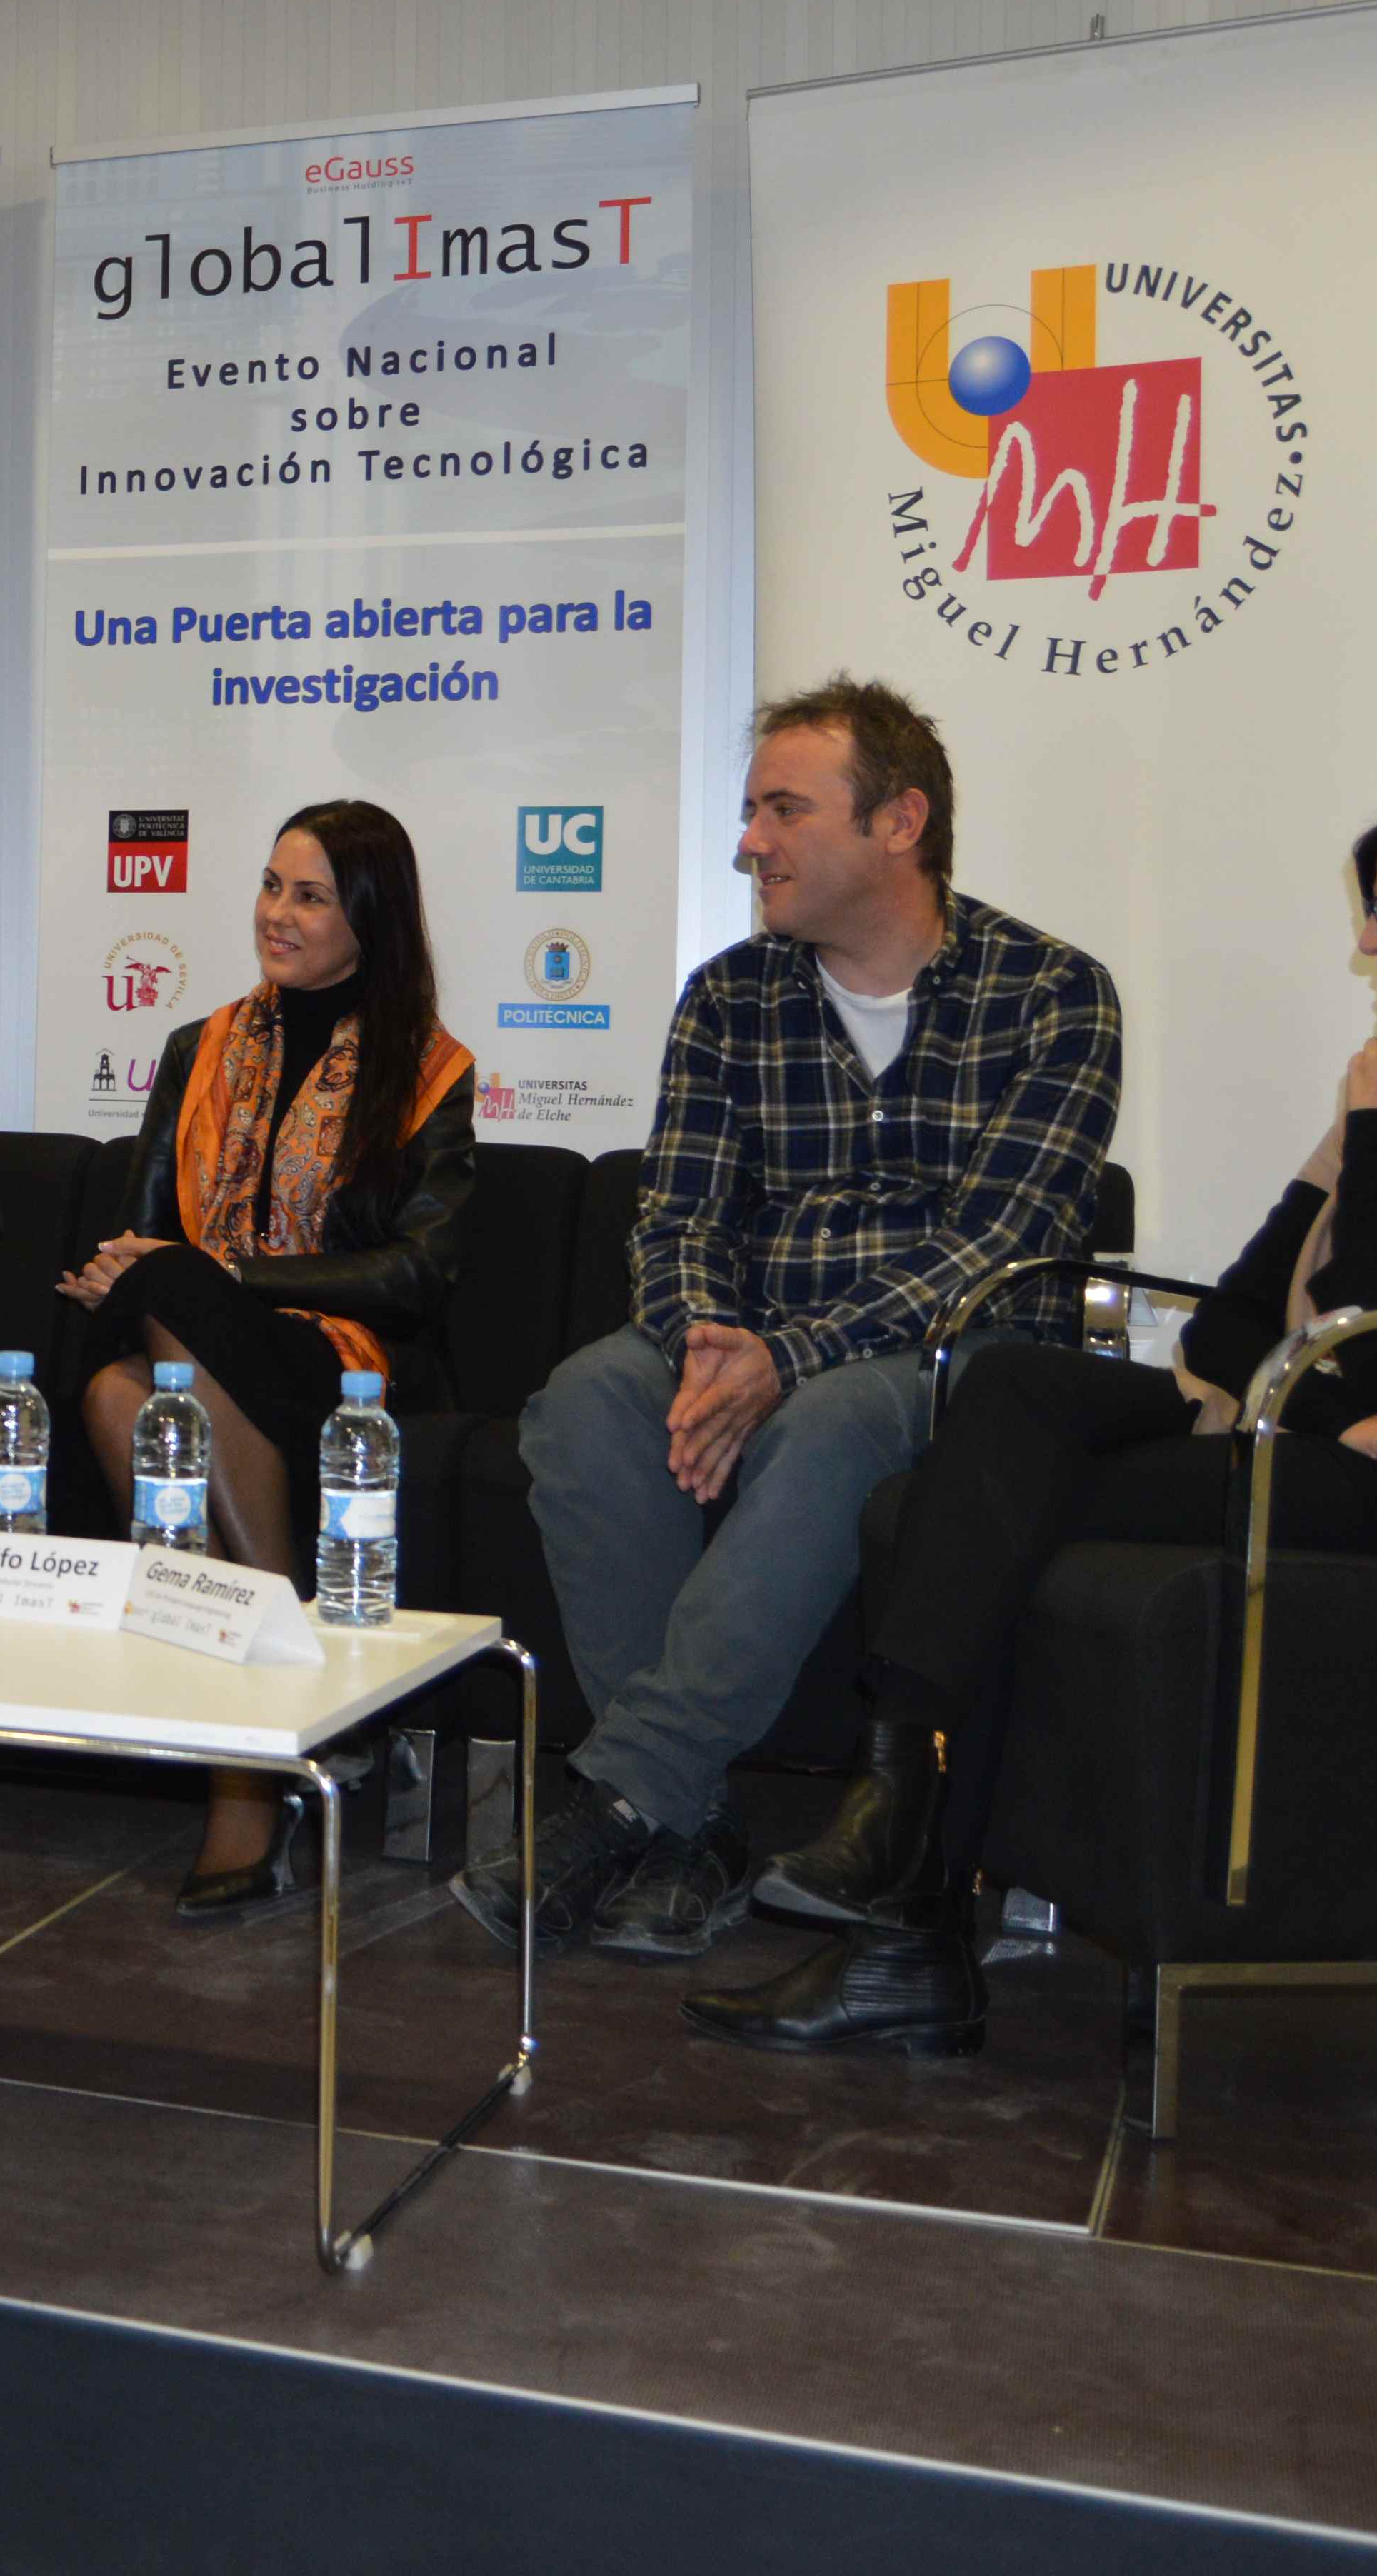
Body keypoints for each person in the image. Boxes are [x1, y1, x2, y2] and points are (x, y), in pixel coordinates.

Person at [693, 777, 1377, 2054]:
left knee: (974, 1506)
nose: (1370, 943)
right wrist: (1343, 1393)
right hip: (1332, 1442)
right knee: (1012, 1389)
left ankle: (906, 1912)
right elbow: (1241, 1324)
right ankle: (900, 1853)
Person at [455, 677, 1121, 1963]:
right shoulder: (729, 999)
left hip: (959, 1356)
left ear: (899, 823)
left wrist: (788, 1360)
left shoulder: (1055, 994)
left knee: (833, 1417)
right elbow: (677, 1218)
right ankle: (690, 1826)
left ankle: (624, 1793)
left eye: (783, 810)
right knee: (587, 1397)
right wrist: (710, 1344)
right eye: (751, 811)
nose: (749, 842)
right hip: (753, 1332)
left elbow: (997, 1244)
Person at [59, 801, 475, 1918]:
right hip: (191, 1340)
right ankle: (271, 1719)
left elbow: (418, 1273)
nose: (276, 914)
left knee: (167, 1317)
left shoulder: (428, 1069)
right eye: (271, 885)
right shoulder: (198, 1049)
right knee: (115, 1389)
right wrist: (128, 1274)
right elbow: (145, 1235)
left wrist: (228, 1279)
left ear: (369, 921)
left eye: (310, 897)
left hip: (342, 1361)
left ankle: (247, 1768)